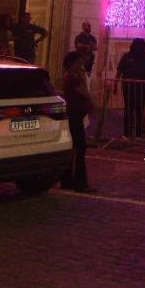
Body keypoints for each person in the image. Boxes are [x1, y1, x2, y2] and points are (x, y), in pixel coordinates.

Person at [61, 49, 94, 192]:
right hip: (74, 116)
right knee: (80, 148)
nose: (81, 66)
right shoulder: (72, 78)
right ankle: (80, 183)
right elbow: (85, 93)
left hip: (76, 115)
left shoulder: (71, 77)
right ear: (72, 64)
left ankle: (68, 180)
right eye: (79, 63)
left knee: (75, 148)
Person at [117, 37, 145, 138]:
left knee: (134, 110)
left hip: (138, 88)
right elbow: (120, 70)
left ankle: (134, 133)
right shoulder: (128, 56)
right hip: (130, 87)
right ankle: (130, 133)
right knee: (132, 110)